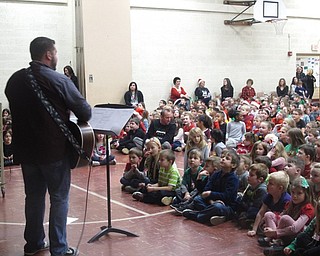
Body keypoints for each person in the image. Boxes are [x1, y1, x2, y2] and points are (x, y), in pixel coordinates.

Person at [5, 37, 92, 256]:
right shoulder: (58, 80)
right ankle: (59, 249)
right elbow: (85, 112)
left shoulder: (14, 80)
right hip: (53, 150)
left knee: (32, 197)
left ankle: (33, 244)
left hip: (26, 151)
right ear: (49, 55)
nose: (57, 56)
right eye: (56, 53)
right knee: (59, 198)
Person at [182, 149, 240, 226]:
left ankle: (198, 216)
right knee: (197, 199)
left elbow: (227, 196)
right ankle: (214, 216)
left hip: (226, 205)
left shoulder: (234, 179)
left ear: (233, 165)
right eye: (222, 157)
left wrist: (211, 194)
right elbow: (205, 190)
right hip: (212, 202)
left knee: (217, 207)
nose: (223, 159)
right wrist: (211, 200)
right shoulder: (216, 174)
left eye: (227, 158)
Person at [261, 177, 314, 255]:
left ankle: (276, 240)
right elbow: (280, 216)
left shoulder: (308, 208)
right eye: (293, 192)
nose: (295, 196)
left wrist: (275, 232)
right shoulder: (290, 203)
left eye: (299, 193)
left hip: (298, 234)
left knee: (285, 218)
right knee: (269, 214)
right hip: (286, 231)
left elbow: (296, 228)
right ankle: (275, 240)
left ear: (306, 194)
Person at [247, 171, 291, 238]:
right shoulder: (269, 196)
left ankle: (274, 237)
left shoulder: (286, 200)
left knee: (268, 215)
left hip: (282, 225)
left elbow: (284, 220)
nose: (267, 185)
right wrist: (254, 230)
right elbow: (260, 213)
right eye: (268, 182)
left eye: (271, 184)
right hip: (273, 221)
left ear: (280, 188)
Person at [235, 163, 268, 229]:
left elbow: (256, 206)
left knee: (252, 211)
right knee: (236, 200)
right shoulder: (250, 186)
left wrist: (244, 206)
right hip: (247, 206)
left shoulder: (262, 190)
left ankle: (251, 222)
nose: (248, 176)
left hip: (255, 210)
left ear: (260, 179)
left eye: (251, 175)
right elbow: (244, 199)